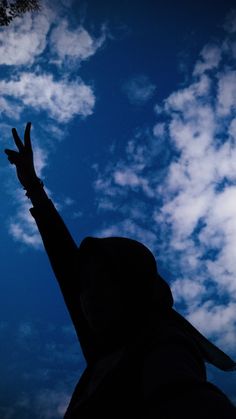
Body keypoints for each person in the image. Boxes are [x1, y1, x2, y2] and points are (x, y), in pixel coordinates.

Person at [5, 122, 236, 418]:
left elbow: (185, 398)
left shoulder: (162, 340)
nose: (87, 297)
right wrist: (33, 187)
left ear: (132, 289)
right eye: (86, 286)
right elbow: (65, 264)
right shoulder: (104, 352)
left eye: (101, 283)